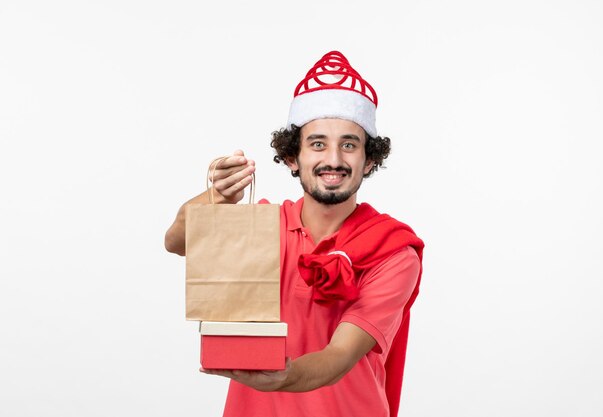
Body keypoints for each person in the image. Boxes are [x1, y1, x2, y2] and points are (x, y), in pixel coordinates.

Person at [165, 51, 424, 417]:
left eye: (349, 144)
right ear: (292, 158)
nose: (333, 159)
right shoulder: (262, 228)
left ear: (368, 160)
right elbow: (176, 241)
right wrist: (218, 196)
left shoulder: (394, 253)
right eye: (317, 144)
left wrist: (284, 377)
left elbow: (339, 356)